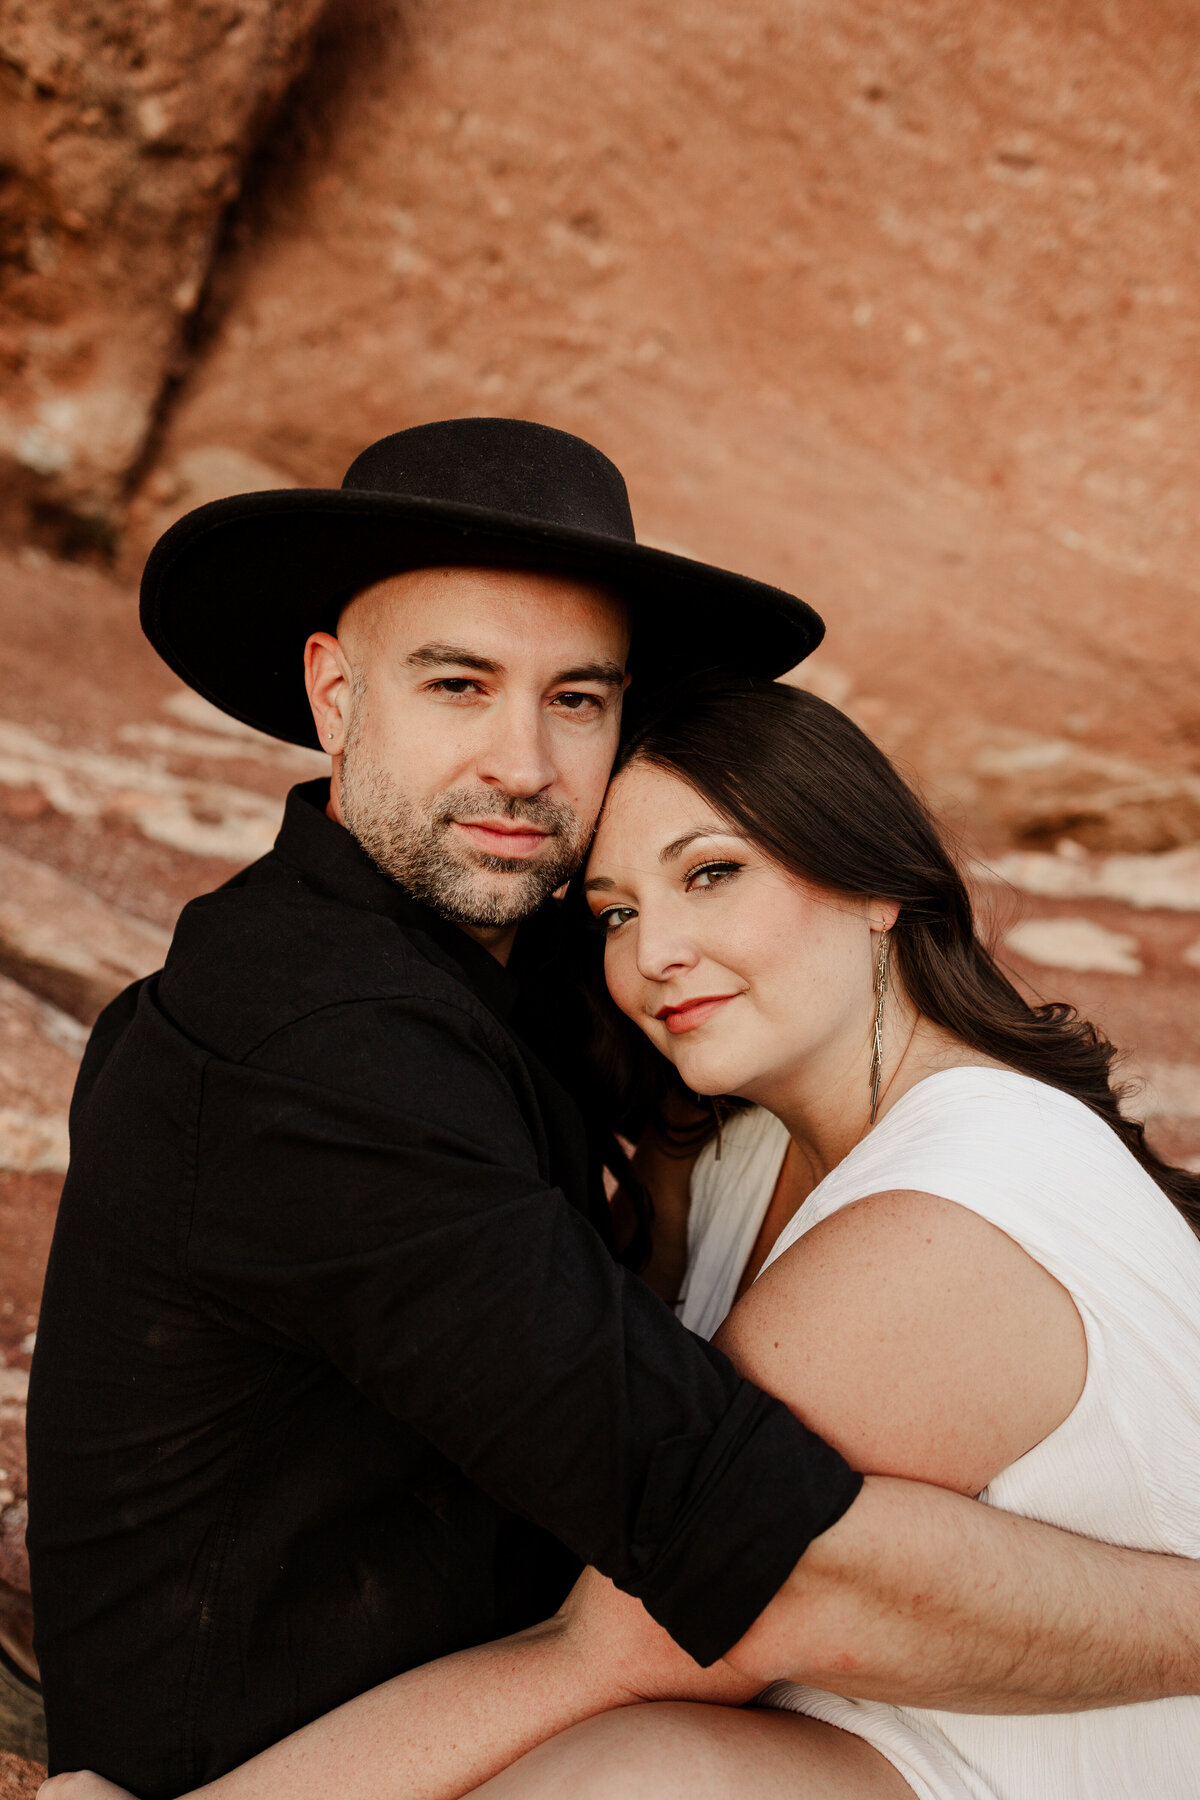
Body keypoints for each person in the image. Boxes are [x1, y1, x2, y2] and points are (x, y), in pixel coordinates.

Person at [27, 423, 1200, 1800]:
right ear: (336, 696)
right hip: (306, 1745)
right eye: (458, 683)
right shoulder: (318, 1054)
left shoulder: (547, 981)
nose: (522, 762)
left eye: (577, 699)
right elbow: (740, 1545)